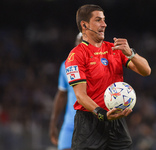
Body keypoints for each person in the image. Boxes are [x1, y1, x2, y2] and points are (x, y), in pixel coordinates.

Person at [65, 4, 151, 150]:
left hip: (117, 122)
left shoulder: (114, 49)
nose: (104, 24)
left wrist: (130, 53)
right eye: (98, 20)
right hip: (89, 123)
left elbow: (146, 71)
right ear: (84, 25)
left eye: (104, 20)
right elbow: (80, 95)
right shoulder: (76, 55)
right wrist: (102, 114)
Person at [49, 33, 82, 150]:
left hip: (93, 128)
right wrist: (53, 123)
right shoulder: (66, 66)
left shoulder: (101, 66)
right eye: (78, 42)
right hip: (70, 125)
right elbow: (61, 95)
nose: (80, 45)